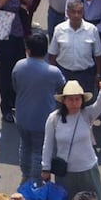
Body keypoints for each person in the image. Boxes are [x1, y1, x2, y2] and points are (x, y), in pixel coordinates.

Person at [41, 80, 101, 200]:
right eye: (70, 99)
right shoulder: (54, 118)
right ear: (64, 100)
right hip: (65, 174)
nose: (74, 102)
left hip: (88, 170)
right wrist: (45, 168)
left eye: (77, 99)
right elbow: (48, 145)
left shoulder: (87, 114)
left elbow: (100, 105)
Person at [13, 33, 65, 183]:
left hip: (22, 115)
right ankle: (35, 180)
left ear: (28, 50)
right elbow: (62, 89)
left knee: (25, 146)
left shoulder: (19, 66)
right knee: (39, 151)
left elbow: (15, 86)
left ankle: (25, 174)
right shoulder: (53, 72)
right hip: (43, 118)